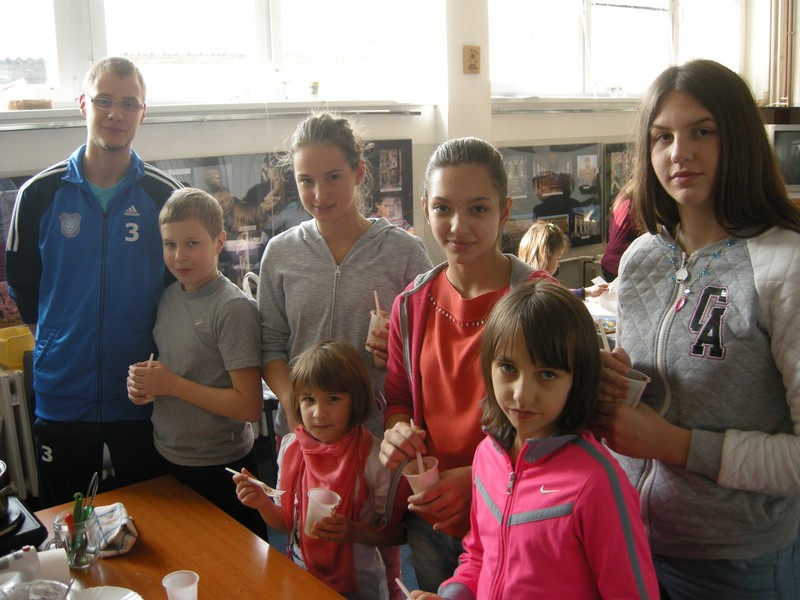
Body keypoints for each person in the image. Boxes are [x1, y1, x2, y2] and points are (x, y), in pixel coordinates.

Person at [594, 59, 800, 598]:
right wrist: (612, 380)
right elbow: (648, 392)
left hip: (733, 563)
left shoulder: (785, 265)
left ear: (739, 139)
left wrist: (678, 446)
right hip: (626, 539)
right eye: (662, 137)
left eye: (702, 132)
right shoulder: (641, 258)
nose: (679, 152)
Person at [259, 112, 432, 598]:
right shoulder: (281, 253)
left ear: (358, 172)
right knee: (306, 551)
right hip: (306, 441)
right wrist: (295, 404)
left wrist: (393, 351)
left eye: (333, 177)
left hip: (374, 442)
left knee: (377, 562)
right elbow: (270, 343)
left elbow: (428, 351)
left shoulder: (403, 253)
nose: (320, 193)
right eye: (306, 181)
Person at [5, 57, 182, 506]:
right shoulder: (38, 194)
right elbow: (22, 282)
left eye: (129, 104)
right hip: (62, 392)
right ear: (83, 104)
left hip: (142, 392)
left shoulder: (166, 196)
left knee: (156, 520)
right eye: (104, 100)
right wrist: (56, 340)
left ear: (143, 112)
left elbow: (181, 287)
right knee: (69, 520)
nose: (115, 114)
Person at [410, 281, 659, 599]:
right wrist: (454, 594)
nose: (522, 394)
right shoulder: (487, 456)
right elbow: (480, 555)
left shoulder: (597, 484)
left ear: (578, 379)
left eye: (547, 374)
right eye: (508, 368)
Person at [379, 137, 551, 590]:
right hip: (434, 516)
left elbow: (567, 423)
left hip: (517, 512)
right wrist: (398, 433)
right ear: (425, 210)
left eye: (477, 209)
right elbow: (398, 398)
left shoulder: (539, 300)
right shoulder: (411, 305)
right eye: (442, 208)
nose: (458, 226)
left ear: (504, 211)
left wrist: (479, 479)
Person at [126, 188, 264, 535]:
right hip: (168, 453)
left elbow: (249, 406)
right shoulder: (169, 297)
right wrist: (146, 384)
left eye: (191, 243)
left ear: (219, 242)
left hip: (220, 464)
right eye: (170, 244)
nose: (179, 256)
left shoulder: (232, 308)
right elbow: (176, 368)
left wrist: (171, 384)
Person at [232, 341, 406, 600]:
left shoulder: (374, 459)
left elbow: (399, 533)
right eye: (308, 399)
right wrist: (262, 504)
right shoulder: (291, 448)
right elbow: (287, 525)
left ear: (356, 400)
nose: (318, 413)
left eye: (333, 399)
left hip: (360, 587)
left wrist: (353, 531)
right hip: (301, 577)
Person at [517, 220, 607, 298]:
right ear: (545, 257)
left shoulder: (518, 276)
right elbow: (562, 296)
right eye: (558, 258)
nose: (558, 265)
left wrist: (586, 292)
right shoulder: (544, 285)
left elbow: (561, 293)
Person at [600, 185, 639, 282]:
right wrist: (644, 243)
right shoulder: (626, 205)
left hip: (627, 264)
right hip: (616, 267)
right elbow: (616, 245)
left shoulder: (632, 203)